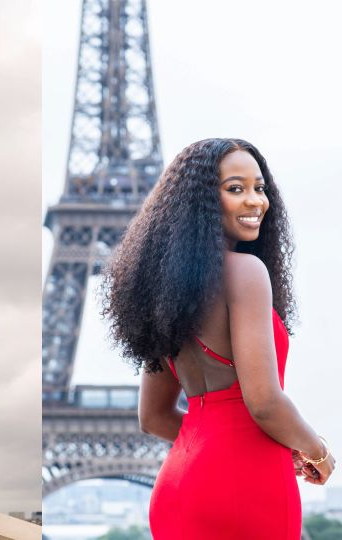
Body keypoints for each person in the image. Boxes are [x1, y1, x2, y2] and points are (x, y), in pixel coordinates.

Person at [102, 138, 336, 538]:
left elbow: (154, 417)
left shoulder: (165, 292)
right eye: (235, 188)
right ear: (202, 203)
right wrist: (317, 451)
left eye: (259, 188)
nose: (254, 201)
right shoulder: (246, 272)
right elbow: (263, 402)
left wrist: (219, 442)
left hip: (179, 486)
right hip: (247, 491)